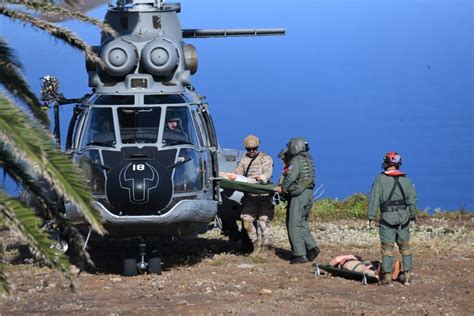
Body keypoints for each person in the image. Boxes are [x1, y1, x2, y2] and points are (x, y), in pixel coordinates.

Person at [368, 152, 417, 285]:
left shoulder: (380, 179)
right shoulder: (406, 180)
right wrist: (412, 216)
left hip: (387, 218)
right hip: (404, 218)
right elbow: (412, 199)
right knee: (405, 247)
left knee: (387, 248)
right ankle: (407, 276)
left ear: (387, 163)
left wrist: (371, 217)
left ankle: (387, 278)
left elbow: (374, 198)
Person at [275, 138, 320, 264]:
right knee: (302, 223)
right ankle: (312, 247)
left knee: (294, 224)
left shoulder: (296, 160)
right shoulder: (308, 159)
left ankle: (300, 254)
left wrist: (282, 188)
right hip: (307, 194)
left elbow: (291, 177)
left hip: (299, 196)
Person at [232, 135, 274, 255]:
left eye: (254, 148)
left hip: (264, 196)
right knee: (246, 220)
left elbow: (268, 173)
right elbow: (237, 173)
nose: (251, 151)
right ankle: (255, 244)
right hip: (250, 197)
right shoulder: (244, 160)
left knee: (263, 221)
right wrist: (231, 177)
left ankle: (266, 247)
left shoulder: (265, 158)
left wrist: (259, 178)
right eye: (249, 149)